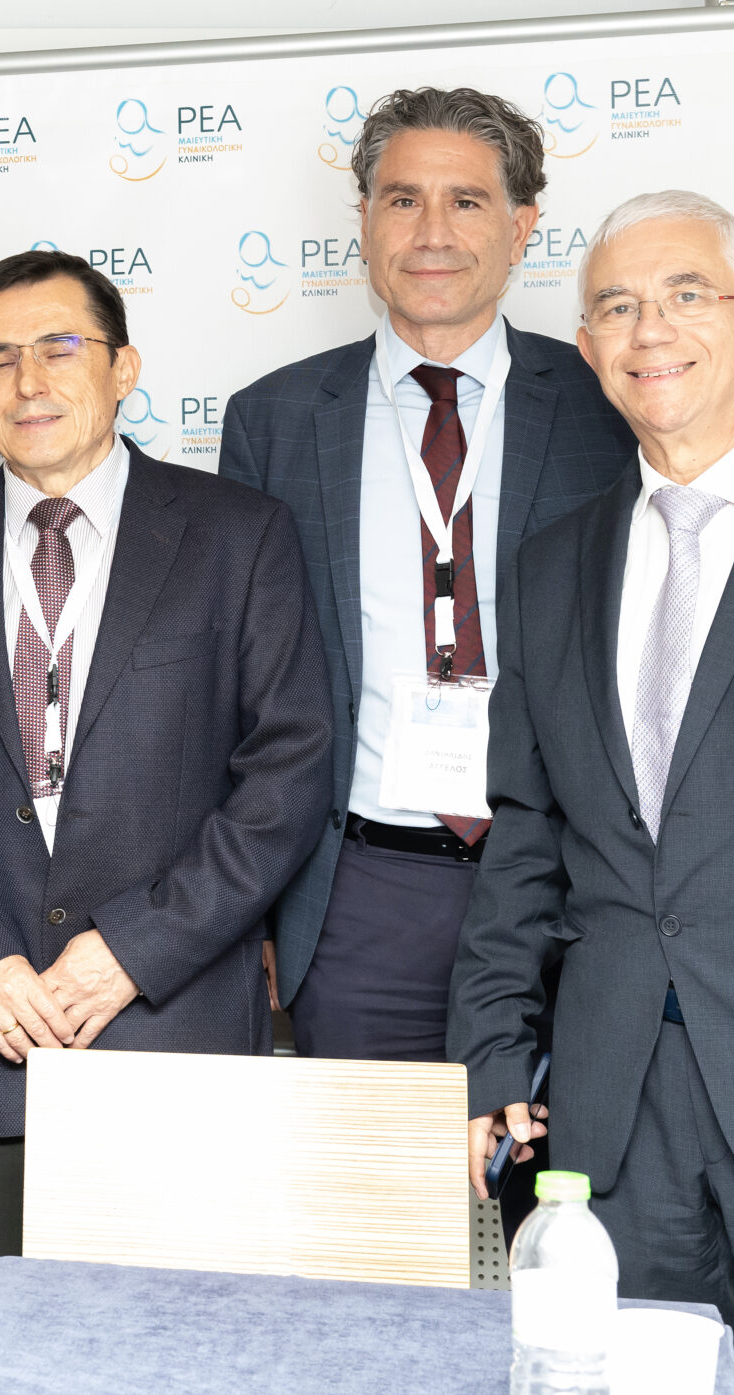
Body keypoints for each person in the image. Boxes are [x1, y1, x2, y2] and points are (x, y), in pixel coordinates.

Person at [452, 190, 734, 1392]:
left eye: (686, 295)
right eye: (616, 307)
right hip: (615, 1112)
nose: (650, 330)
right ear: (587, 348)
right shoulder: (551, 566)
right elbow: (526, 836)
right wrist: (492, 1053)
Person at [0, 249, 330, 1256]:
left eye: (59, 349)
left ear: (123, 367)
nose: (29, 381)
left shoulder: (238, 537)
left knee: (176, 1331)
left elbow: (288, 773)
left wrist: (134, 950)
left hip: (172, 1026)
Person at [219, 86, 633, 1066]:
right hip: (362, 892)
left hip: (575, 884)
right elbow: (236, 686)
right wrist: (253, 907)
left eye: (467, 201)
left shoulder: (610, 405)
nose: (432, 232)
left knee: (574, 1161)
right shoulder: (273, 421)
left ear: (521, 227)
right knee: (375, 1170)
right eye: (402, 200)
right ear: (364, 222)